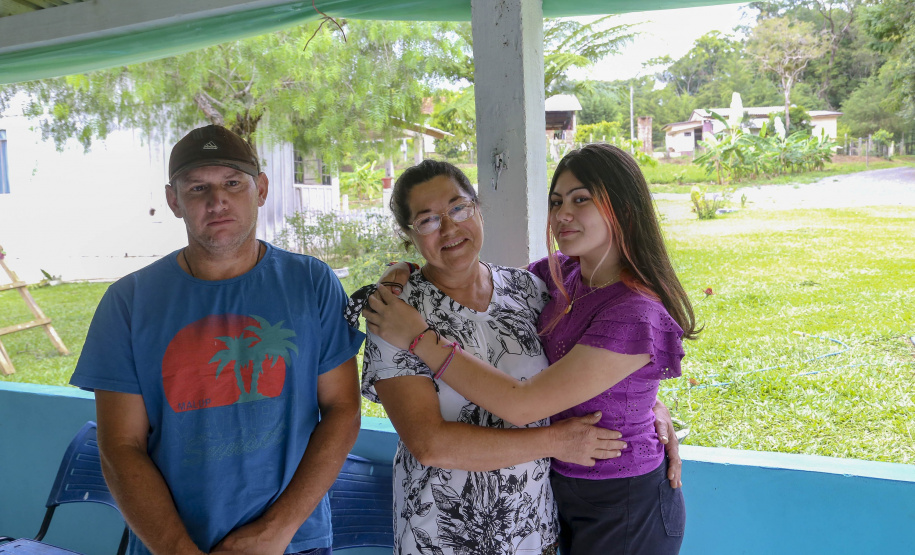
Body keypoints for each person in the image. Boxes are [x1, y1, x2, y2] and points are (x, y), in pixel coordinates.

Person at [366, 144, 695, 555]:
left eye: (458, 209)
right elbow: (430, 444)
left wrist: (646, 406)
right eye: (427, 220)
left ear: (478, 209)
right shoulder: (398, 311)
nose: (448, 229)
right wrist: (400, 276)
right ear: (409, 234)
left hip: (560, 516)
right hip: (446, 530)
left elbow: (534, 400)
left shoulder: (528, 291)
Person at [69, 125, 364, 555]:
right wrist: (176, 548)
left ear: (260, 189)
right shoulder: (128, 302)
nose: (217, 201)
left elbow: (342, 409)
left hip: (292, 541)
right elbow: (121, 445)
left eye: (232, 183)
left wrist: (274, 533)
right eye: (197, 188)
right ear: (174, 200)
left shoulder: (310, 282)